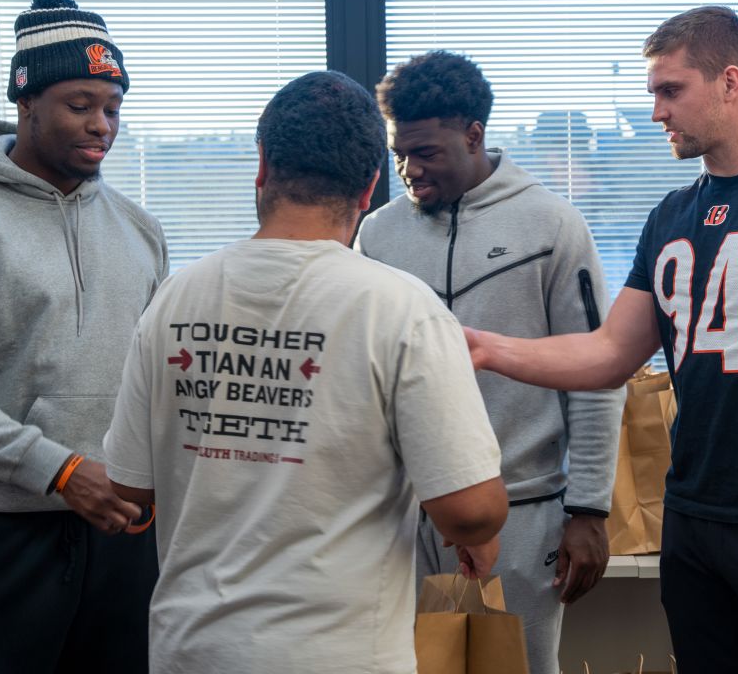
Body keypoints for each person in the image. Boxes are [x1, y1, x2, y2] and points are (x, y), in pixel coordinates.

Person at [464, 6, 738, 674]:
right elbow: (611, 352)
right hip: (698, 524)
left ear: (730, 82)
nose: (656, 113)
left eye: (670, 91)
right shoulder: (672, 215)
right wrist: (483, 347)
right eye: (652, 94)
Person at [103, 70, 508, 673]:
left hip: (192, 649)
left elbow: (129, 487)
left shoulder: (177, 297)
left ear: (262, 165)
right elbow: (470, 511)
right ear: (370, 185)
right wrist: (480, 530)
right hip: (338, 654)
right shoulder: (399, 307)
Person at [355, 50, 624, 674]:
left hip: (524, 514)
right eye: (399, 152)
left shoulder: (552, 226)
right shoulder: (376, 234)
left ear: (474, 135)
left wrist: (588, 509)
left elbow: (595, 374)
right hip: (404, 519)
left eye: (426, 152)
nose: (408, 169)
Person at [0, 0, 169, 673]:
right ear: (25, 102)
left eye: (113, 108)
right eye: (81, 106)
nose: (103, 124)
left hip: (125, 537)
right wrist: (61, 469)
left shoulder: (140, 230)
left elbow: (162, 379)